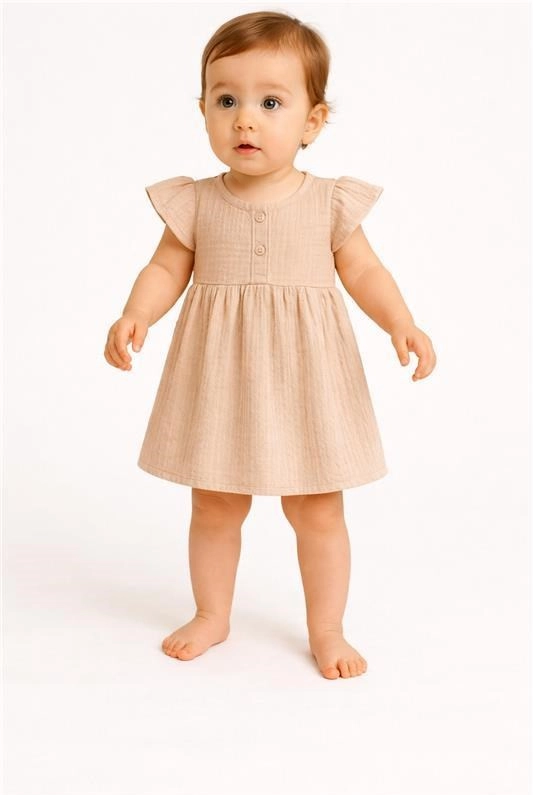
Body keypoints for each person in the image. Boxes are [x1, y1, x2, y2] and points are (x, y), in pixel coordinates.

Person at [104, 10, 436, 680]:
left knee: (317, 508)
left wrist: (400, 321)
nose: (245, 121)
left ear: (312, 122)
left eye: (270, 103)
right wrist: (137, 312)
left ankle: (327, 628)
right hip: (221, 377)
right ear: (203, 112)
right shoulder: (196, 202)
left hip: (306, 378)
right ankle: (212, 614)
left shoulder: (329, 203)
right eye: (226, 101)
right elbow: (166, 267)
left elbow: (364, 271)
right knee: (214, 501)